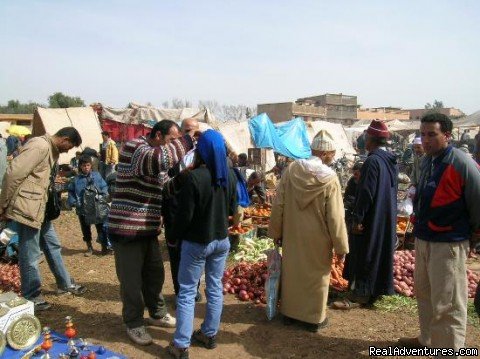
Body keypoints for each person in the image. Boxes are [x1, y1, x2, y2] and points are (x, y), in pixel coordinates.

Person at [398, 113, 480, 353]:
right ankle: (428, 341)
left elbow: (477, 201)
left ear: (447, 135)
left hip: (449, 243)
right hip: (424, 238)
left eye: (432, 135)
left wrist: (474, 234)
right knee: (425, 294)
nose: (425, 140)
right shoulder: (426, 162)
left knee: (449, 303)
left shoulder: (461, 163)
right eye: (423, 135)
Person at [108, 119, 194, 346]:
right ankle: (134, 323)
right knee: (131, 282)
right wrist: (187, 140)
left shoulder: (157, 160)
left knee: (155, 274)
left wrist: (186, 175)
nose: (173, 146)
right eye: (171, 140)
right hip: (127, 228)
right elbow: (155, 160)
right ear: (157, 135)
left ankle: (156, 313)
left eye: (176, 141)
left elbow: (165, 188)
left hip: (148, 228)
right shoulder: (136, 148)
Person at [268, 130, 349, 332]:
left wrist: (276, 232)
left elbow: (278, 204)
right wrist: (341, 245)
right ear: (326, 154)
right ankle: (314, 319)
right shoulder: (330, 179)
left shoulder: (291, 170)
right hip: (319, 239)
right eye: (332, 154)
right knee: (316, 277)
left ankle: (289, 313)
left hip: (293, 235)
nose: (333, 157)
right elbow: (336, 217)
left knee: (293, 273)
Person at [0, 127, 87, 311]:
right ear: (64, 139)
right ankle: (31, 296)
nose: (68, 150)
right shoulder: (39, 146)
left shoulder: (49, 149)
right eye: (69, 146)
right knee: (30, 254)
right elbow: (13, 173)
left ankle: (65, 283)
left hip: (40, 209)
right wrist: (3, 204)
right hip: (27, 208)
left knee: (53, 245)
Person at [168, 130, 237, 359]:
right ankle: (209, 334)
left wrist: (173, 235)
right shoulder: (230, 174)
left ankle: (181, 345)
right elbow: (232, 209)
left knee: (187, 291)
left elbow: (184, 215)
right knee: (215, 287)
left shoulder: (193, 177)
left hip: (196, 243)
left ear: (202, 150)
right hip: (221, 240)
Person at [332, 120, 398, 309]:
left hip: (371, 217)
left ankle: (359, 293)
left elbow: (367, 192)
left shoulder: (372, 161)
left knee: (364, 252)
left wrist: (358, 218)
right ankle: (374, 292)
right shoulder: (390, 160)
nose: (364, 142)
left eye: (365, 138)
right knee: (378, 252)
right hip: (384, 216)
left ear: (371, 139)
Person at [67, 155, 110, 256]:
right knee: (85, 229)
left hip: (96, 208)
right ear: (80, 167)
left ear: (91, 165)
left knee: (100, 227)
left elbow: (104, 186)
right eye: (83, 165)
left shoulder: (97, 176)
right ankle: (89, 247)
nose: (86, 167)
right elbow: (71, 191)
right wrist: (73, 202)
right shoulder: (76, 180)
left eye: (88, 165)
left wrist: (103, 194)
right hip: (83, 209)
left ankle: (104, 247)